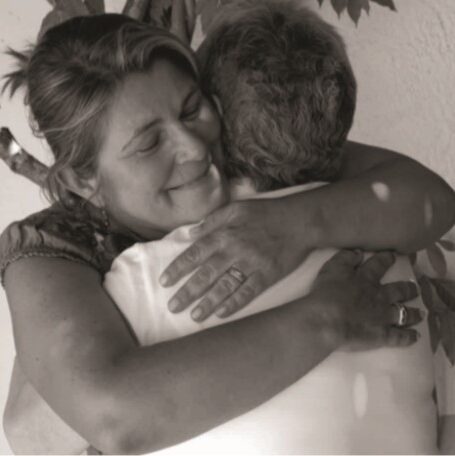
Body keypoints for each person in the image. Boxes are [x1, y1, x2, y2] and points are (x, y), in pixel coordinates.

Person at [0, 9, 453, 456]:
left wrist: (295, 222)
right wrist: (327, 319)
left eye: (191, 109)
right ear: (82, 180)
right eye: (150, 143)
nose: (194, 148)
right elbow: (114, 417)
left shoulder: (239, 153)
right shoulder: (51, 247)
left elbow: (431, 198)